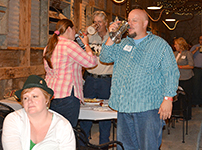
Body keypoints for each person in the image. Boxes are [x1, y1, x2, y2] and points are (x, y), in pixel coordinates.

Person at [100, 8, 180, 150]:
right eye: (128, 20)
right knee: (125, 147)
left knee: (148, 146)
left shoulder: (159, 45)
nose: (129, 24)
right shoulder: (122, 43)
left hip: (148, 109)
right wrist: (112, 35)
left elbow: (171, 72)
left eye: (134, 20)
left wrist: (168, 99)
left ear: (145, 23)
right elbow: (105, 57)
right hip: (124, 107)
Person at [43, 19, 97, 127]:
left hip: (50, 95)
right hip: (67, 95)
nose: (75, 32)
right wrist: (86, 44)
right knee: (67, 131)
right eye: (74, 29)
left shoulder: (48, 47)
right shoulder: (69, 45)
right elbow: (91, 62)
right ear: (69, 29)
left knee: (53, 130)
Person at [2, 75, 75, 150]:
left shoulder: (63, 126)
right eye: (25, 98)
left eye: (35, 96)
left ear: (46, 99)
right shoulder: (13, 120)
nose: (30, 101)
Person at [80, 11, 113, 145]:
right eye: (95, 21)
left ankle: (104, 144)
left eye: (100, 22)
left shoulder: (112, 38)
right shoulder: (89, 37)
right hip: (91, 78)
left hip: (106, 79)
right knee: (86, 113)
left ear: (105, 23)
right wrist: (83, 37)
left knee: (105, 114)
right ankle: (83, 143)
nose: (97, 24)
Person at [174, 37, 194, 120]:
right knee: (177, 98)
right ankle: (177, 114)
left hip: (186, 79)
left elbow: (191, 65)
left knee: (186, 98)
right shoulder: (175, 53)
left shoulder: (188, 53)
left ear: (181, 45)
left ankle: (187, 116)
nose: (174, 46)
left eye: (176, 44)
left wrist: (180, 66)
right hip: (177, 79)